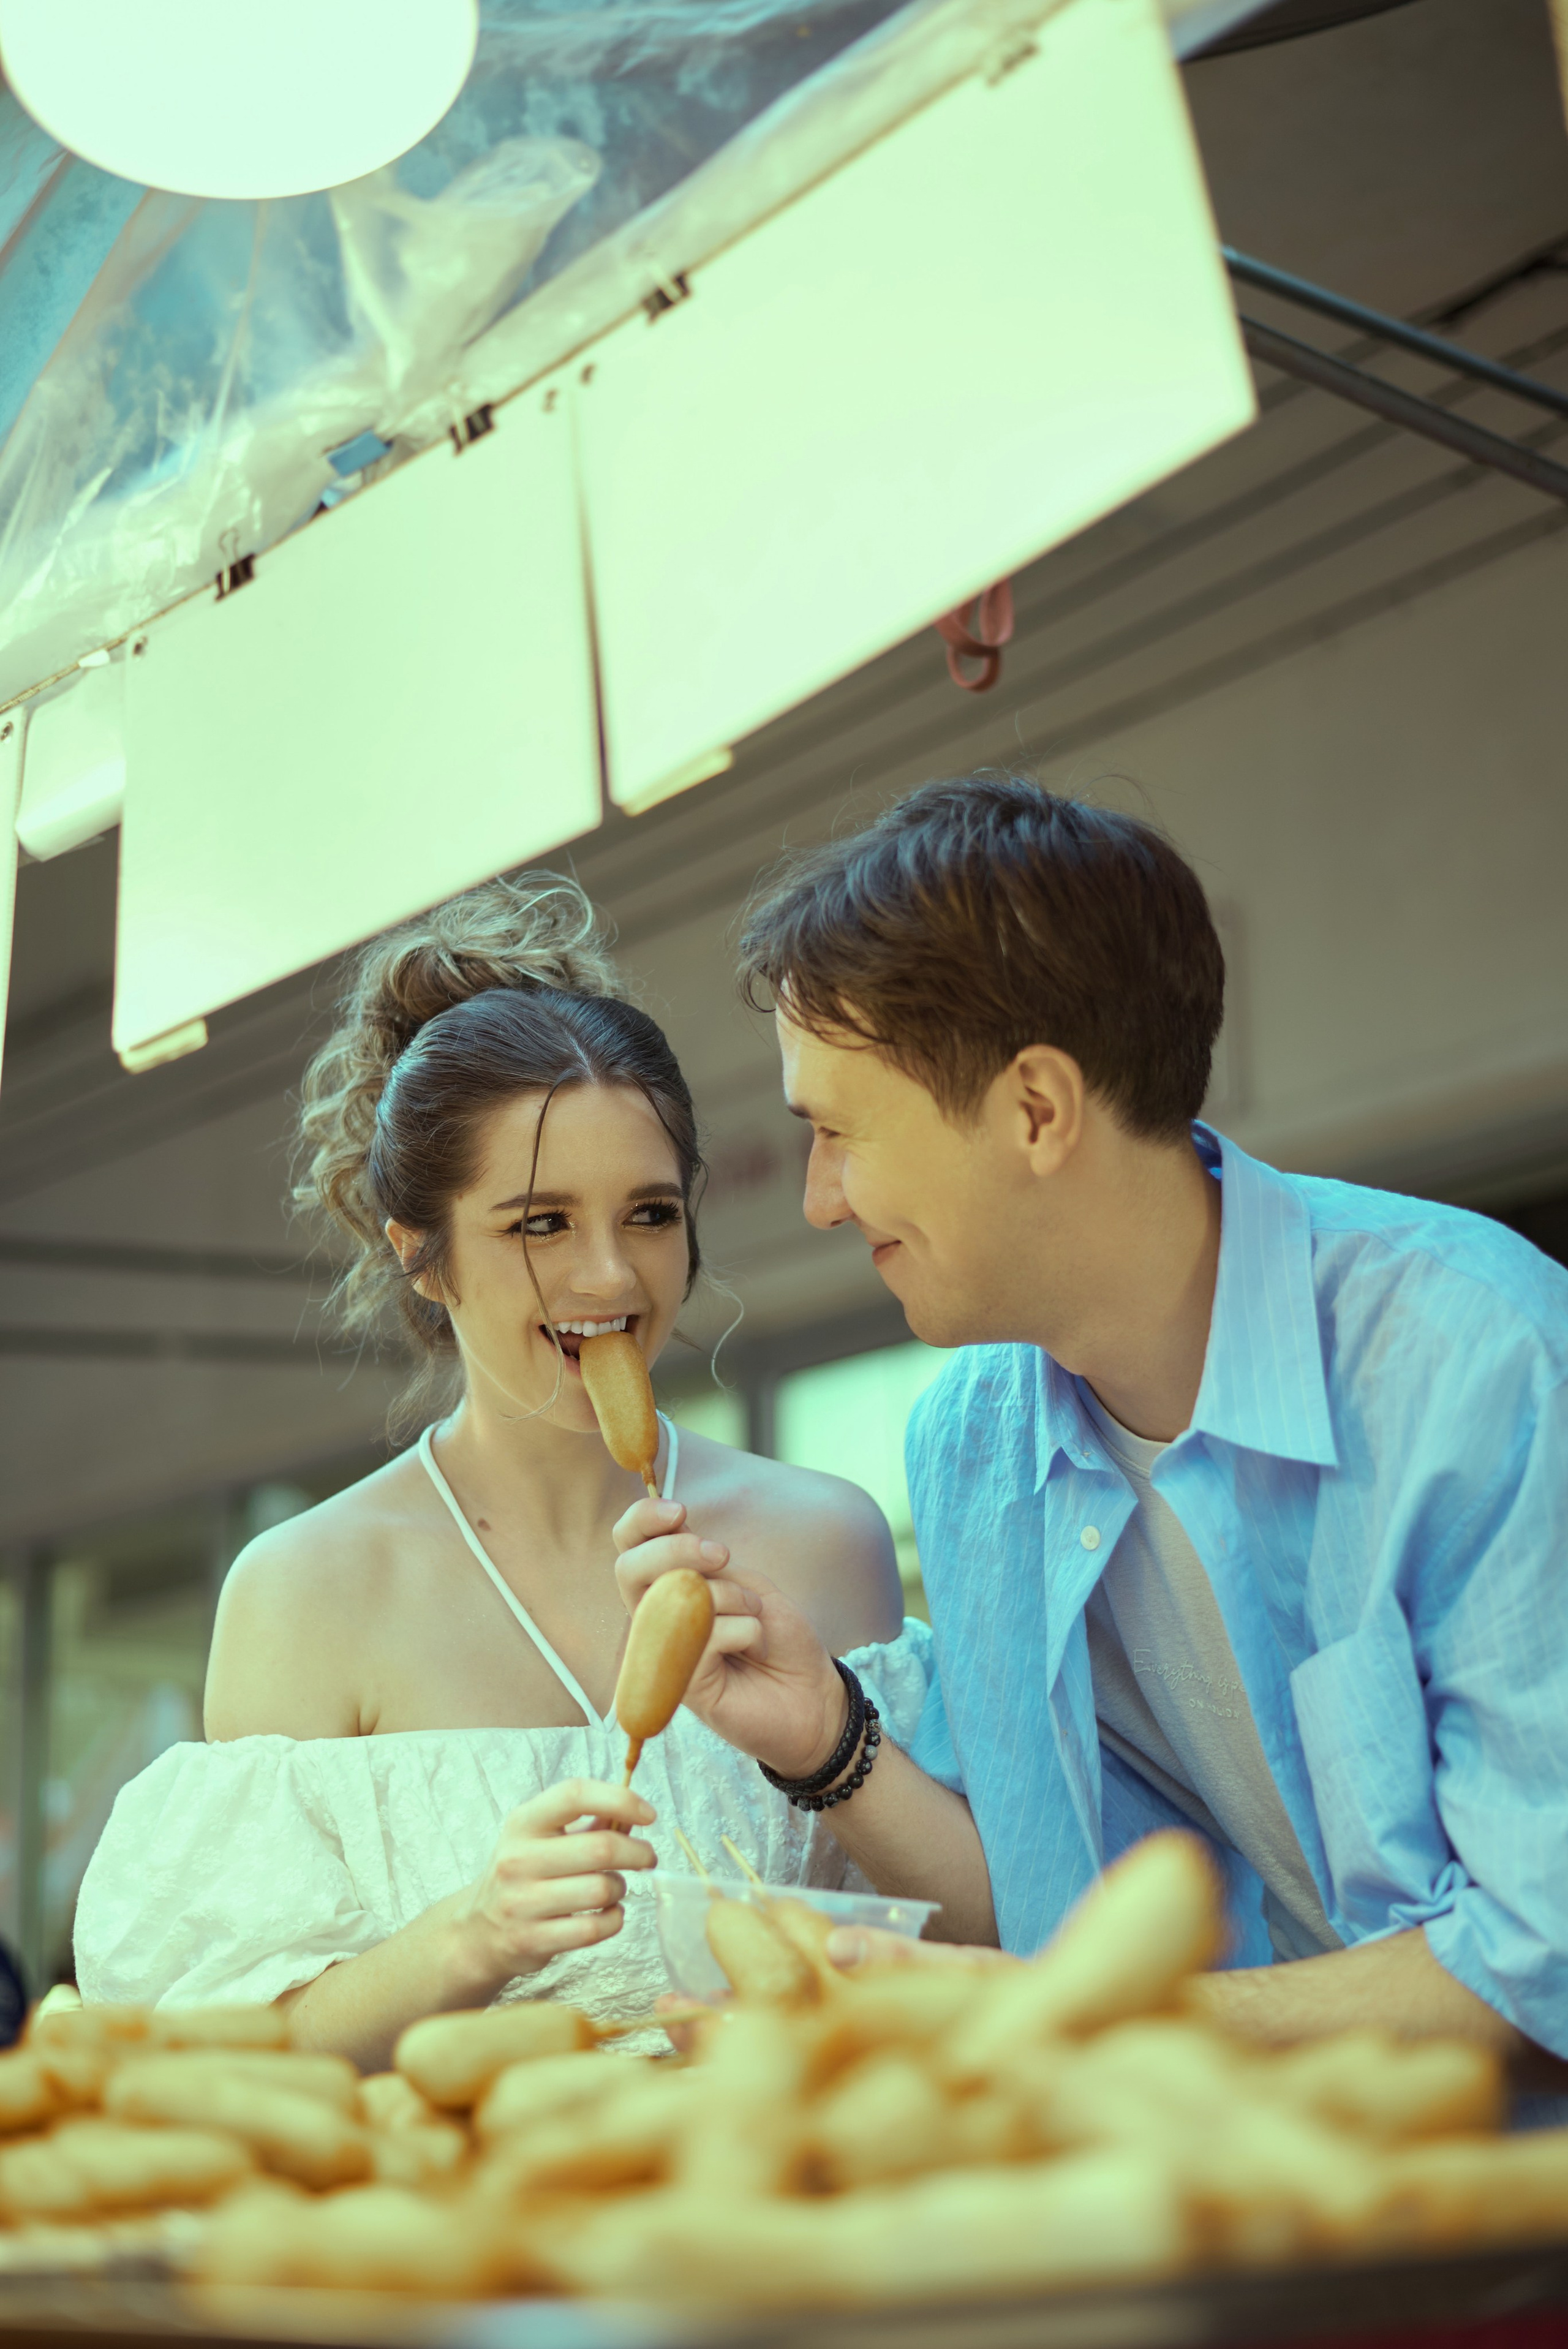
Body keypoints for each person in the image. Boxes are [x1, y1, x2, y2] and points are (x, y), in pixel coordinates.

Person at [612, 774, 1568, 2087]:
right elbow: (1051, 1907)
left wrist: (1044, 2014)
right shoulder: (970, 1442)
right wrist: (821, 1731)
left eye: (836, 1132)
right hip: (1248, 2199)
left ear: (1036, 1111)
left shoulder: (1476, 1359)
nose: (822, 1200)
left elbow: (1540, 1960)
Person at [74, 876, 929, 2070]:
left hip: (783, 2202)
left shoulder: (823, 1540)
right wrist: (467, 1935)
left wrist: (824, 1747)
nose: (611, 1279)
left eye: (647, 1213)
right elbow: (231, 2056)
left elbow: (958, 1935)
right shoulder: (305, 1591)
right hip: (466, 2227)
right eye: (538, 1223)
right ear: (419, 1254)